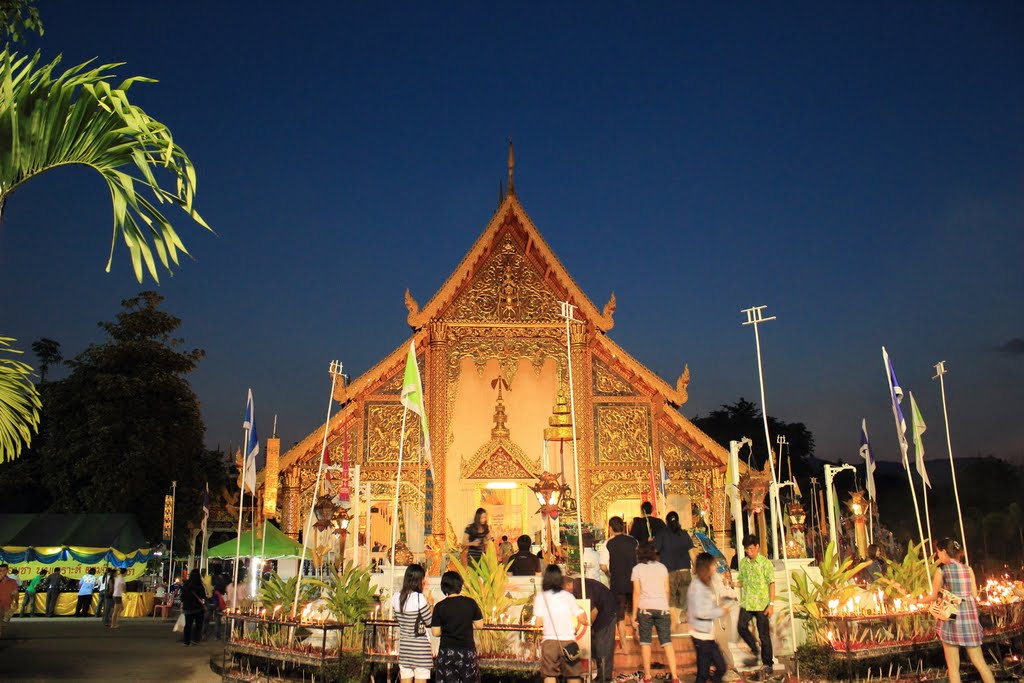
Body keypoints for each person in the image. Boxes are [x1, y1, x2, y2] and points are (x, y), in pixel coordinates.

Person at [921, 538, 996, 683]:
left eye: (938, 552)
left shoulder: (941, 570)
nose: (938, 556)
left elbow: (933, 596)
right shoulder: (968, 569)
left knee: (953, 667)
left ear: (943, 551)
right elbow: (974, 594)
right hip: (969, 618)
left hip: (951, 619)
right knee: (980, 662)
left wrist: (917, 600)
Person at [631, 543, 680, 683]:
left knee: (645, 643)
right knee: (667, 642)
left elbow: (637, 593)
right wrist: (666, 606)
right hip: (662, 608)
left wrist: (634, 614)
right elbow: (667, 590)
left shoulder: (637, 569)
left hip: (645, 608)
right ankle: (675, 677)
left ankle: (647, 677)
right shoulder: (662, 567)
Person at [534, 564, 588, 683]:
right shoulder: (568, 597)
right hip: (568, 642)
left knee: (549, 674)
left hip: (549, 642)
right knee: (573, 675)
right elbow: (581, 619)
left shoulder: (541, 597)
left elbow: (538, 623)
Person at [430, 570, 483, 683]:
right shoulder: (470, 603)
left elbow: (435, 632)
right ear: (460, 585)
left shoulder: (440, 606)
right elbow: (479, 625)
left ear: (444, 587)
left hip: (447, 651)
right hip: (467, 651)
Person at [688, 552, 732, 683]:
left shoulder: (705, 583)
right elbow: (702, 612)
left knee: (720, 668)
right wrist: (721, 610)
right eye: (713, 565)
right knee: (705, 672)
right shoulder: (698, 587)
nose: (715, 567)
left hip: (706, 634)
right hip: (701, 635)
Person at [566, 573, 617, 683]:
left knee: (603, 646)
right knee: (595, 646)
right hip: (601, 612)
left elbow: (593, 611)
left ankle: (604, 678)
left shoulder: (580, 588)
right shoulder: (578, 586)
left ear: (568, 585)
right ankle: (600, 674)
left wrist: (588, 628)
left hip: (607, 613)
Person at [735, 535, 774, 675]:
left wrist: (771, 604)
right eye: (747, 550)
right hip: (747, 602)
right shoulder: (744, 563)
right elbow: (742, 581)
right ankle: (754, 648)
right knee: (741, 626)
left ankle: (768, 663)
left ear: (757, 547)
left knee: (764, 635)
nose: (749, 552)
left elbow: (771, 583)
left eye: (751, 549)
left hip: (762, 603)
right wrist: (733, 583)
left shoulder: (765, 563)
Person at [392, 564, 433, 683]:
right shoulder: (419, 598)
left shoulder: (396, 597)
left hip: (405, 647)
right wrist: (430, 604)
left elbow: (397, 618)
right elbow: (429, 621)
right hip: (420, 648)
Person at [654, 510, 696, 627]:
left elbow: (654, 550)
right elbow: (692, 552)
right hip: (685, 572)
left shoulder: (662, 534)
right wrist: (695, 568)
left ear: (666, 522)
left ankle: (674, 622)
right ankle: (679, 621)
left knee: (670, 599)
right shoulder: (684, 534)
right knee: (683, 600)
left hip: (669, 572)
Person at [603, 515, 638, 654]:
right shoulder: (633, 541)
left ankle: (625, 646)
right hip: (633, 582)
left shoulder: (608, 544)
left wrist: (609, 572)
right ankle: (638, 641)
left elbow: (603, 566)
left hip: (617, 583)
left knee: (620, 615)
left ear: (610, 528)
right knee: (633, 612)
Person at [181, 569, 206, 646]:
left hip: (188, 608)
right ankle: (195, 639)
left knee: (188, 625)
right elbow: (203, 596)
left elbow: (182, 597)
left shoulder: (186, 585)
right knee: (198, 625)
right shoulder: (200, 585)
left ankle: (186, 641)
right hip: (198, 608)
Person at [0, 564, 18, 639]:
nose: (2, 572)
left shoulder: (12, 581)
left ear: (7, 571)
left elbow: (15, 593)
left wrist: (16, 602)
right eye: (0, 570)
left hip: (7, 607)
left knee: (3, 625)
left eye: (4, 570)